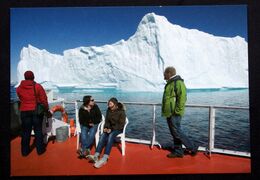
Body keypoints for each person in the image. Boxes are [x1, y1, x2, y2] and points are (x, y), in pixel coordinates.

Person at [162, 66, 198, 158]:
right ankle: (178, 151)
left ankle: (193, 147)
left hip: (174, 112)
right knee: (174, 132)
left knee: (177, 132)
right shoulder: (170, 83)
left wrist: (177, 111)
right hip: (170, 112)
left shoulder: (178, 82)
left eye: (165, 74)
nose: (164, 76)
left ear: (169, 73)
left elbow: (182, 98)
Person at [16, 70, 50, 156]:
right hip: (36, 111)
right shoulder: (37, 86)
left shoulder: (19, 88)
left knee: (26, 132)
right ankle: (40, 150)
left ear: (25, 77)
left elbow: (20, 97)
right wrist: (46, 108)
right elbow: (43, 99)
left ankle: (24, 152)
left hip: (24, 111)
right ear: (33, 77)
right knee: (38, 131)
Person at [87, 97, 126, 168]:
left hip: (118, 129)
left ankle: (105, 157)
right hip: (110, 128)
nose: (109, 104)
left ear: (115, 103)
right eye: (109, 103)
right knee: (103, 135)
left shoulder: (121, 111)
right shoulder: (108, 110)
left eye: (110, 103)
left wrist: (111, 129)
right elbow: (107, 121)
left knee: (111, 135)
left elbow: (121, 124)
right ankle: (96, 155)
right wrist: (106, 128)